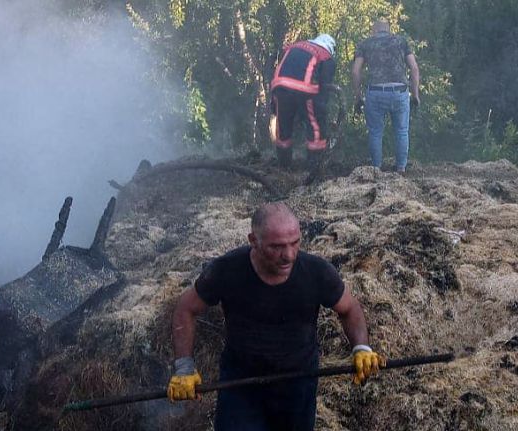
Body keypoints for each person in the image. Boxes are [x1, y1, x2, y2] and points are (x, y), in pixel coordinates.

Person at [167, 202, 385, 431]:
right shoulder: (227, 269)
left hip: (298, 383)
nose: (289, 256)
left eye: (295, 243)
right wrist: (184, 367)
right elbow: (186, 309)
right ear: (254, 240)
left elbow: (350, 309)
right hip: (241, 384)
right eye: (277, 247)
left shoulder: (316, 272)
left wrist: (361, 348)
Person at [352, 19, 420, 173]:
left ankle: (376, 169)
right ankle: (401, 168)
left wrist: (357, 96)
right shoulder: (401, 41)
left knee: (375, 132)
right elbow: (414, 68)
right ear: (388, 30)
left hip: (375, 92)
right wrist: (415, 94)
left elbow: (356, 71)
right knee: (402, 131)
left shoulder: (365, 44)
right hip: (400, 91)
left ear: (373, 30)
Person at [270, 34, 336, 179]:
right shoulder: (325, 54)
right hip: (305, 90)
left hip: (279, 86)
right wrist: (322, 109)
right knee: (315, 126)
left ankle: (284, 166)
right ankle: (314, 167)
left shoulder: (293, 47)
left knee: (283, 126)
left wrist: (273, 104)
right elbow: (324, 86)